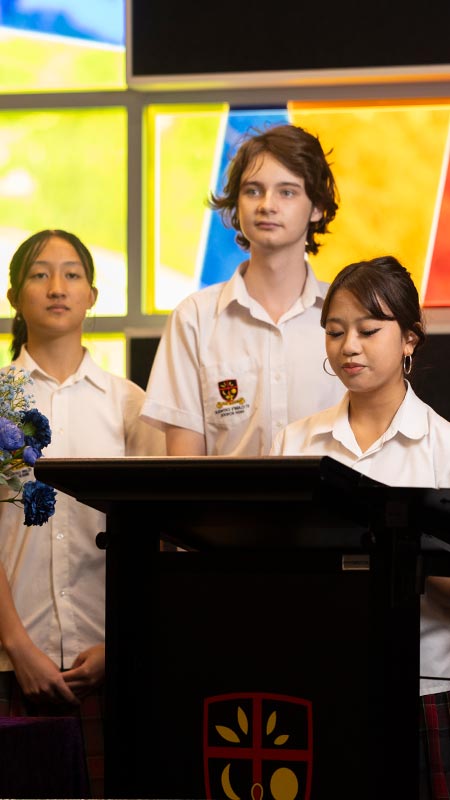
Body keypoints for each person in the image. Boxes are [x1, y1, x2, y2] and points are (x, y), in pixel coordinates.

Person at [270, 254, 450, 799]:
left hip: (425, 689)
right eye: (334, 331)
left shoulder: (444, 447)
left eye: (369, 330)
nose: (349, 346)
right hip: (318, 684)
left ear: (410, 339)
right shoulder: (295, 444)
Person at [0, 229, 166, 798]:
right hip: (11, 658)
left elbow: (158, 535)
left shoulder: (129, 403)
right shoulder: (1, 399)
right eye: (39, 274)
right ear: (14, 296)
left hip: (107, 658)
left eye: (71, 274)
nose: (56, 287)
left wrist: (119, 642)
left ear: (92, 295)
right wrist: (18, 648)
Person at [140, 123, 345, 456]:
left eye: (287, 191)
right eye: (252, 190)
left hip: (335, 509)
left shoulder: (347, 315)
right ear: (236, 204)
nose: (267, 204)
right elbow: (183, 470)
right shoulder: (194, 318)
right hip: (224, 510)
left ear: (317, 208)